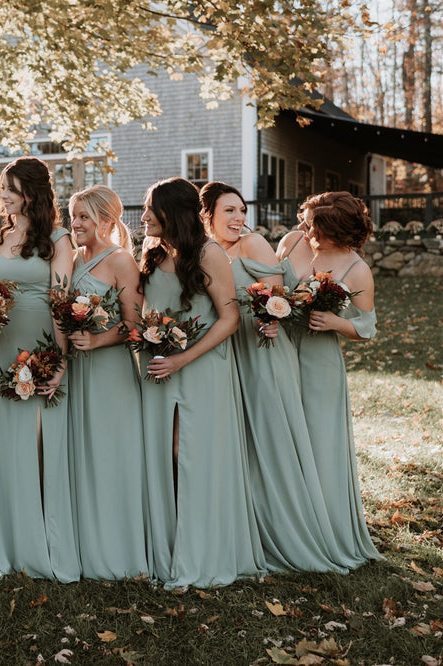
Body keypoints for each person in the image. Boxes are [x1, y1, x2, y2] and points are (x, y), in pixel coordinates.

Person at [201, 181, 346, 574]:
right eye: (229, 210)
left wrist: (271, 319)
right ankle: (246, 525)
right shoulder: (206, 250)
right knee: (239, 437)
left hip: (263, 346)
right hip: (227, 348)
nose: (238, 218)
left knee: (271, 431)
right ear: (208, 214)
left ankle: (290, 528)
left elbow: (277, 299)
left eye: (241, 210)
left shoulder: (254, 245)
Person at [138, 177, 265, 589]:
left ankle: (202, 551)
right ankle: (169, 548)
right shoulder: (153, 254)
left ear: (171, 212)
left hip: (202, 364)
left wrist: (181, 358)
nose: (142, 217)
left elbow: (229, 319)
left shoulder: (209, 253)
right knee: (165, 453)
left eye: (150, 209)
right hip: (159, 365)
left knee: (191, 452)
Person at [0, 156, 80, 582]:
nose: (3, 195)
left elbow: (60, 303)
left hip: (39, 346)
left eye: (11, 188)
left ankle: (44, 542)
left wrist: (58, 361)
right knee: (3, 444)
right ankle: (6, 541)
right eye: (3, 187)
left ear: (33, 193)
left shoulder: (58, 239)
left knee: (39, 444)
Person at [276, 191, 381, 568]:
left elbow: (366, 327)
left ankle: (322, 527)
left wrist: (337, 322)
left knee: (318, 440)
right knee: (280, 432)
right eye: (304, 220)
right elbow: (270, 287)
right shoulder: (291, 242)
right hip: (277, 348)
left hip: (320, 361)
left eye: (312, 225)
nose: (304, 229)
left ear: (335, 231)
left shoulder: (357, 270)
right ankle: (279, 519)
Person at [64, 185, 148, 580]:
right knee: (83, 454)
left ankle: (119, 551)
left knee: (112, 455)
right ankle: (84, 546)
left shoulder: (121, 262)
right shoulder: (71, 257)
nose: (75, 223)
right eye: (73, 215)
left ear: (107, 221)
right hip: (77, 371)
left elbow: (135, 327)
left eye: (83, 217)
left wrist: (96, 339)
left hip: (110, 372)